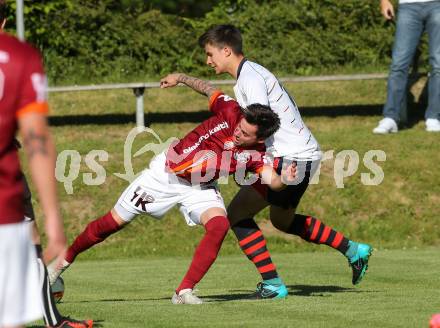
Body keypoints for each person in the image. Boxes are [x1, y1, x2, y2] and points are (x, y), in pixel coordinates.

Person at [48, 73, 296, 304]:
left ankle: (184, 290)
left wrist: (284, 178)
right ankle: (62, 262)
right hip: (163, 175)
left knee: (219, 225)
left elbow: (273, 181)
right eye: (239, 126)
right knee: (112, 223)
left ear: (260, 139)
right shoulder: (231, 109)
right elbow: (208, 89)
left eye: (245, 133)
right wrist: (181, 78)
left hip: (199, 187)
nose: (238, 132)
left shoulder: (257, 154)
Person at [198, 24, 373, 298]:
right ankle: (354, 250)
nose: (208, 61)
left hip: (290, 158)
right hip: (301, 155)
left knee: (237, 215)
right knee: (282, 220)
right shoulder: (250, 74)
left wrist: (233, 150)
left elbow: (259, 123)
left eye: (210, 54)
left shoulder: (250, 78)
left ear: (226, 50)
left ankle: (273, 284)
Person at [0, 2, 67, 326]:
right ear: (3, 22)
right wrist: (54, 216)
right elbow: (36, 140)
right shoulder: (21, 56)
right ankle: (52, 318)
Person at [373, 0, 440, 133]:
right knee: (399, 64)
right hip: (408, 6)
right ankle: (391, 117)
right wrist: (384, 1)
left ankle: (434, 116)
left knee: (438, 64)